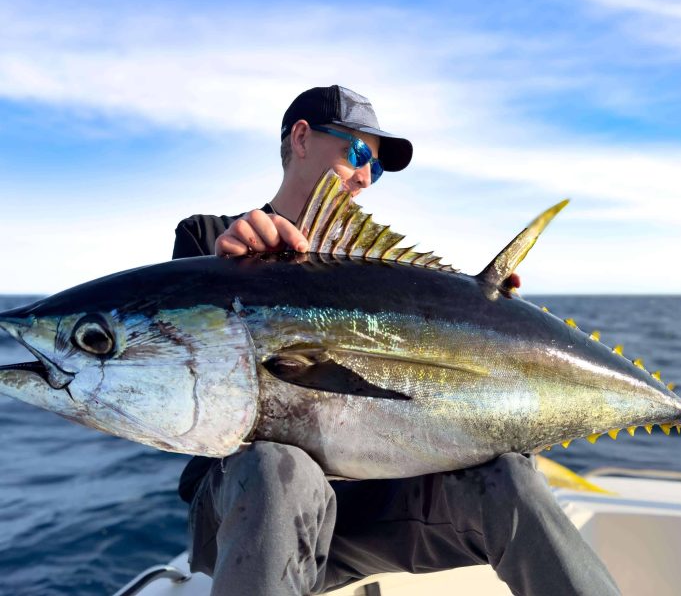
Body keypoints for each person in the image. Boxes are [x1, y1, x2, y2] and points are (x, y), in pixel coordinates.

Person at [172, 85, 620, 596]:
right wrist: (232, 263)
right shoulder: (208, 241)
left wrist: (495, 338)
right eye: (357, 153)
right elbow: (181, 374)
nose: (365, 177)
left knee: (510, 476)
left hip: (365, 523)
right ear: (300, 138)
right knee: (279, 465)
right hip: (244, 521)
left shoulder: (381, 277)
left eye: (376, 168)